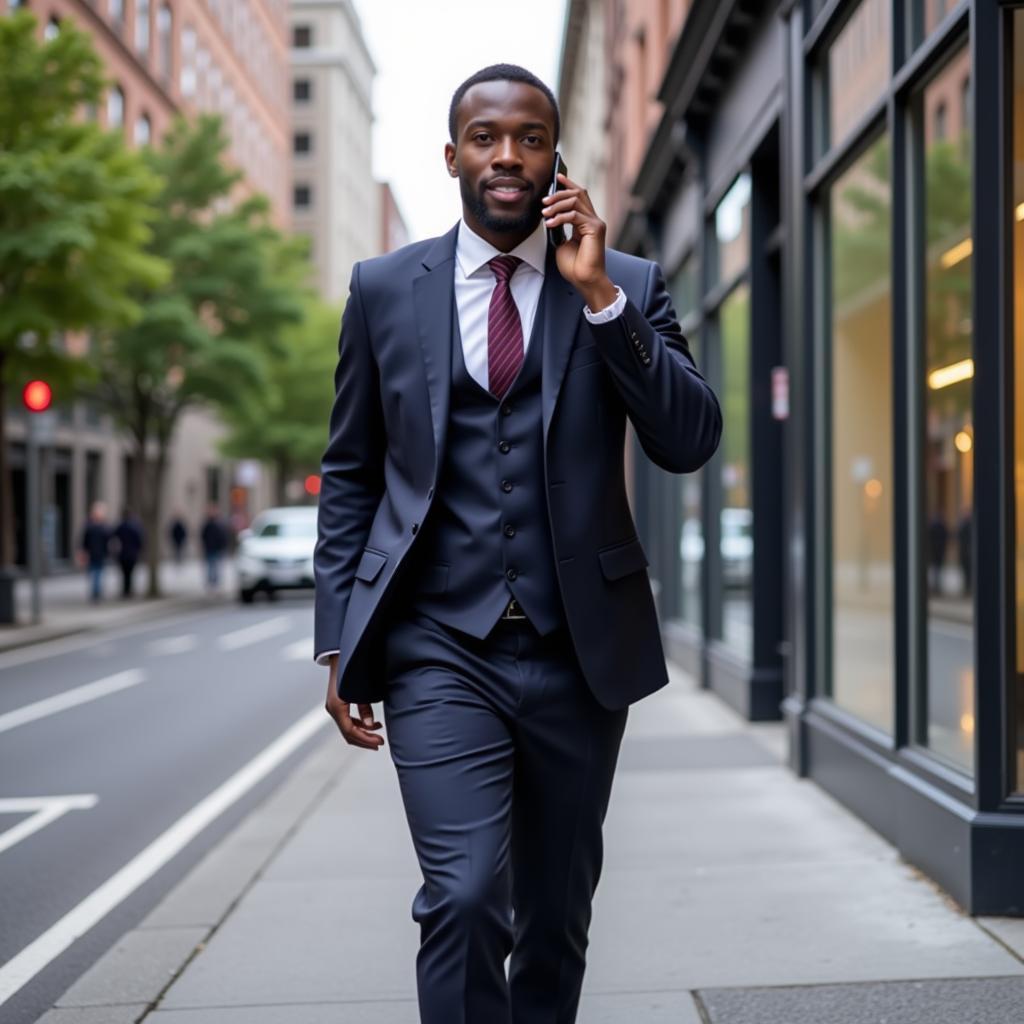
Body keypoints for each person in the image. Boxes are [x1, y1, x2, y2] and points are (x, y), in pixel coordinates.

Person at [313, 64, 722, 1024]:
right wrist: (338, 637)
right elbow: (352, 473)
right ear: (452, 155)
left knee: (554, 916)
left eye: (531, 138)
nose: (509, 157)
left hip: (580, 649)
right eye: (488, 138)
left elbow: (689, 440)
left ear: (556, 159)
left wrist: (602, 305)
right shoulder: (381, 288)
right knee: (460, 897)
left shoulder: (623, 283)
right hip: (434, 645)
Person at [78, 501, 110, 602]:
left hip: (98, 554)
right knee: (96, 573)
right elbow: (84, 541)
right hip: (94, 553)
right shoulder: (97, 527)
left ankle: (96, 592)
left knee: (96, 573)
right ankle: (96, 592)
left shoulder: (94, 526)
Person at [113, 508, 144, 598]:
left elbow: (113, 536)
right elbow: (140, 540)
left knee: (124, 574)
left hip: (122, 553)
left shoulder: (120, 526)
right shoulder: (135, 526)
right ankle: (129, 590)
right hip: (132, 554)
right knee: (130, 573)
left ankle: (125, 591)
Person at [200, 505, 228, 589]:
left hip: (217, 548)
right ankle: (211, 581)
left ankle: (215, 581)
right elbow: (203, 535)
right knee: (210, 566)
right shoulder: (207, 524)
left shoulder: (219, 524)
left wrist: (222, 546)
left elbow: (223, 536)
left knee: (216, 566)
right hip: (209, 548)